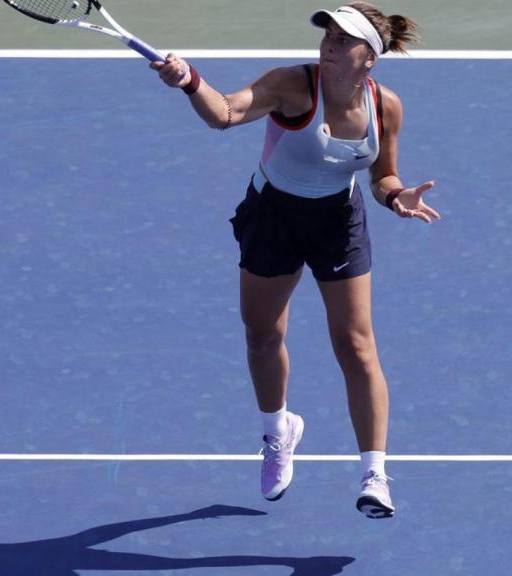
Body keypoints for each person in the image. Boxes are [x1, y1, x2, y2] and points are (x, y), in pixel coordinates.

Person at [152, 3, 439, 518]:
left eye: (344, 39)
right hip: (274, 217)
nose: (329, 43)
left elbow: (383, 176)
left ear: (369, 58)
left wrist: (397, 197)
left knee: (356, 343)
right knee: (263, 335)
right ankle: (277, 431)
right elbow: (225, 113)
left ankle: (374, 474)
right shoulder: (290, 84)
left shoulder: (386, 107)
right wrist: (189, 80)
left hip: (337, 222)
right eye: (327, 34)